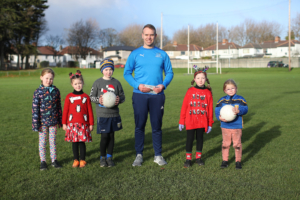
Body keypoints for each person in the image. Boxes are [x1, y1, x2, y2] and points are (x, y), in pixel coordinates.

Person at [123, 24, 174, 166]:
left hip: (157, 96)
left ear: (155, 36)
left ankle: (158, 155)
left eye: (151, 34)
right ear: (142, 35)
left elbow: (169, 72)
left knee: (156, 126)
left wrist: (163, 85)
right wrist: (138, 85)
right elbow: (126, 73)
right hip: (140, 95)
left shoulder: (162, 54)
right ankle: (139, 155)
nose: (149, 37)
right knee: (140, 126)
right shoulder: (135, 54)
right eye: (146, 34)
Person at [90, 58, 125, 167]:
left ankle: (109, 157)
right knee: (104, 136)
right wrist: (98, 100)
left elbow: (122, 96)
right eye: (106, 69)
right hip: (102, 114)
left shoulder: (116, 82)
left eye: (110, 69)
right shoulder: (97, 82)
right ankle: (102, 157)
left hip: (114, 114)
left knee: (111, 136)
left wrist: (119, 100)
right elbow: (91, 97)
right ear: (102, 70)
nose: (108, 72)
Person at [178, 66, 214, 168]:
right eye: (198, 78)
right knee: (189, 139)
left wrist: (210, 123)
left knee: (200, 139)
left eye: (203, 78)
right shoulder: (190, 91)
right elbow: (184, 106)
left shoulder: (208, 92)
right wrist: (181, 121)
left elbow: (210, 109)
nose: (200, 80)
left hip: (202, 121)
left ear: (206, 79)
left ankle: (198, 158)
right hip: (190, 120)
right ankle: (188, 159)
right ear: (194, 79)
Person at [32, 68, 62, 170]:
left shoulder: (56, 91)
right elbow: (35, 108)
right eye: (46, 78)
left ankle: (54, 160)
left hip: (53, 121)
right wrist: (36, 123)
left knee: (53, 141)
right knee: (42, 142)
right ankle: (43, 161)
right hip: (42, 122)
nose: (48, 80)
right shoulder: (38, 92)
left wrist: (60, 120)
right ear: (41, 78)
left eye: (51, 78)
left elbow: (59, 107)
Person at [62, 70, 94, 168]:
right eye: (75, 84)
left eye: (80, 83)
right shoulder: (69, 97)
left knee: (81, 142)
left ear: (83, 83)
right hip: (72, 124)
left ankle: (82, 160)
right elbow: (65, 111)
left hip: (83, 124)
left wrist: (91, 124)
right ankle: (76, 160)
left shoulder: (86, 97)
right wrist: (64, 123)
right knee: (74, 142)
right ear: (72, 84)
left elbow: (90, 112)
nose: (78, 85)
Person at [215, 79, 248, 169]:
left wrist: (239, 110)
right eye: (228, 89)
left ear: (236, 88)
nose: (231, 90)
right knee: (226, 144)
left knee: (237, 144)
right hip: (225, 126)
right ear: (225, 90)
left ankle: (238, 161)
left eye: (232, 88)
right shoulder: (221, 100)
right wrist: (219, 117)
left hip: (236, 126)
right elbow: (217, 110)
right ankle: (225, 160)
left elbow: (246, 109)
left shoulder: (240, 99)